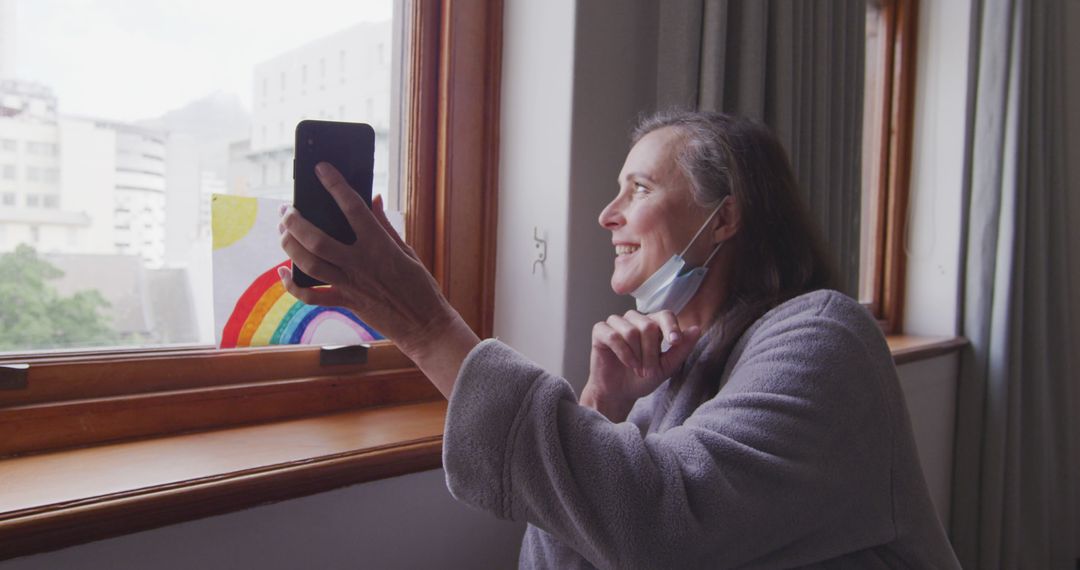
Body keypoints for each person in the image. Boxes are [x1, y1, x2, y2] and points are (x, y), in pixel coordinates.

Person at [278, 111, 961, 569]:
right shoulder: (665, 380)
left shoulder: (823, 335)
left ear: (724, 220)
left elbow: (659, 524)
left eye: (636, 188)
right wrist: (599, 404)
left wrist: (425, 326)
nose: (608, 216)